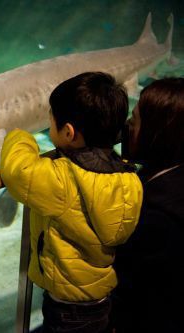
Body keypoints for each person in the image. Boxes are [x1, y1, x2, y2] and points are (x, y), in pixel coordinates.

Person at [0, 72, 143, 332]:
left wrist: (19, 135)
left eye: (50, 121)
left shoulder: (63, 181)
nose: (48, 125)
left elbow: (18, 171)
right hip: (100, 298)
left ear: (68, 133)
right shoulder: (128, 176)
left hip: (67, 307)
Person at [112, 77, 184, 332]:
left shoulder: (160, 214)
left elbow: (138, 290)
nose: (127, 128)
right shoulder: (170, 172)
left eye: (134, 121)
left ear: (157, 134)